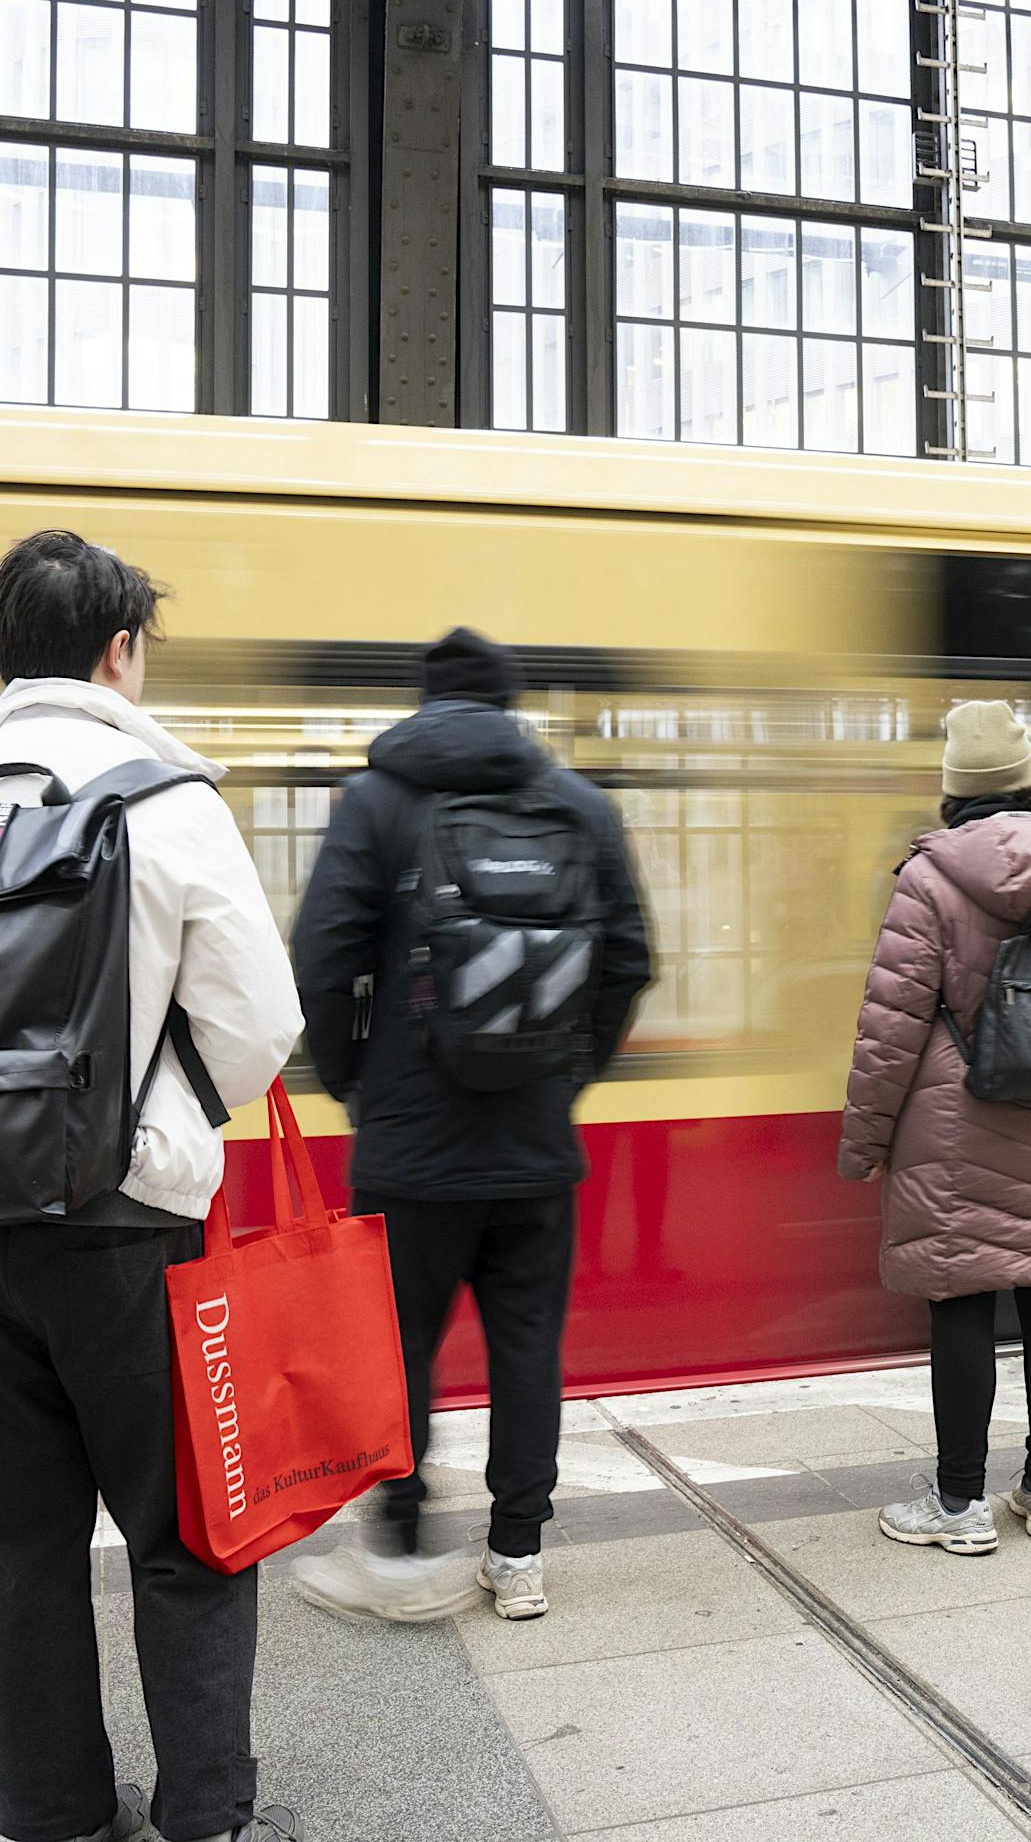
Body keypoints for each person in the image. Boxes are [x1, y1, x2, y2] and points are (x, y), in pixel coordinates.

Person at [0, 532, 305, 1842]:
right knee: (190, 1533)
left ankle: (51, 1811)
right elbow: (265, 1019)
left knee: (18, 1549)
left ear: (4, 657)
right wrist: (156, 1118)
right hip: (128, 1233)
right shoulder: (170, 802)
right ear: (121, 650)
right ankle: (204, 1808)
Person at [287, 627, 652, 1622]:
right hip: (535, 1145)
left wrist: (355, 1081)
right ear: (508, 703)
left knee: (397, 1343)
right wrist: (565, 1076)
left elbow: (321, 957)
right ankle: (518, 1552)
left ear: (428, 703)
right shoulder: (576, 805)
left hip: (410, 1146)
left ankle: (400, 1545)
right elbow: (627, 960)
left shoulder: (378, 802)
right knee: (526, 1343)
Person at [837, 701, 1031, 1554]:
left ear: (954, 788)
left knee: (961, 1297)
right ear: (1028, 780)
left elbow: (893, 1025)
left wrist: (864, 1142)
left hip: (955, 1115)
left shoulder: (928, 876)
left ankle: (959, 1506)